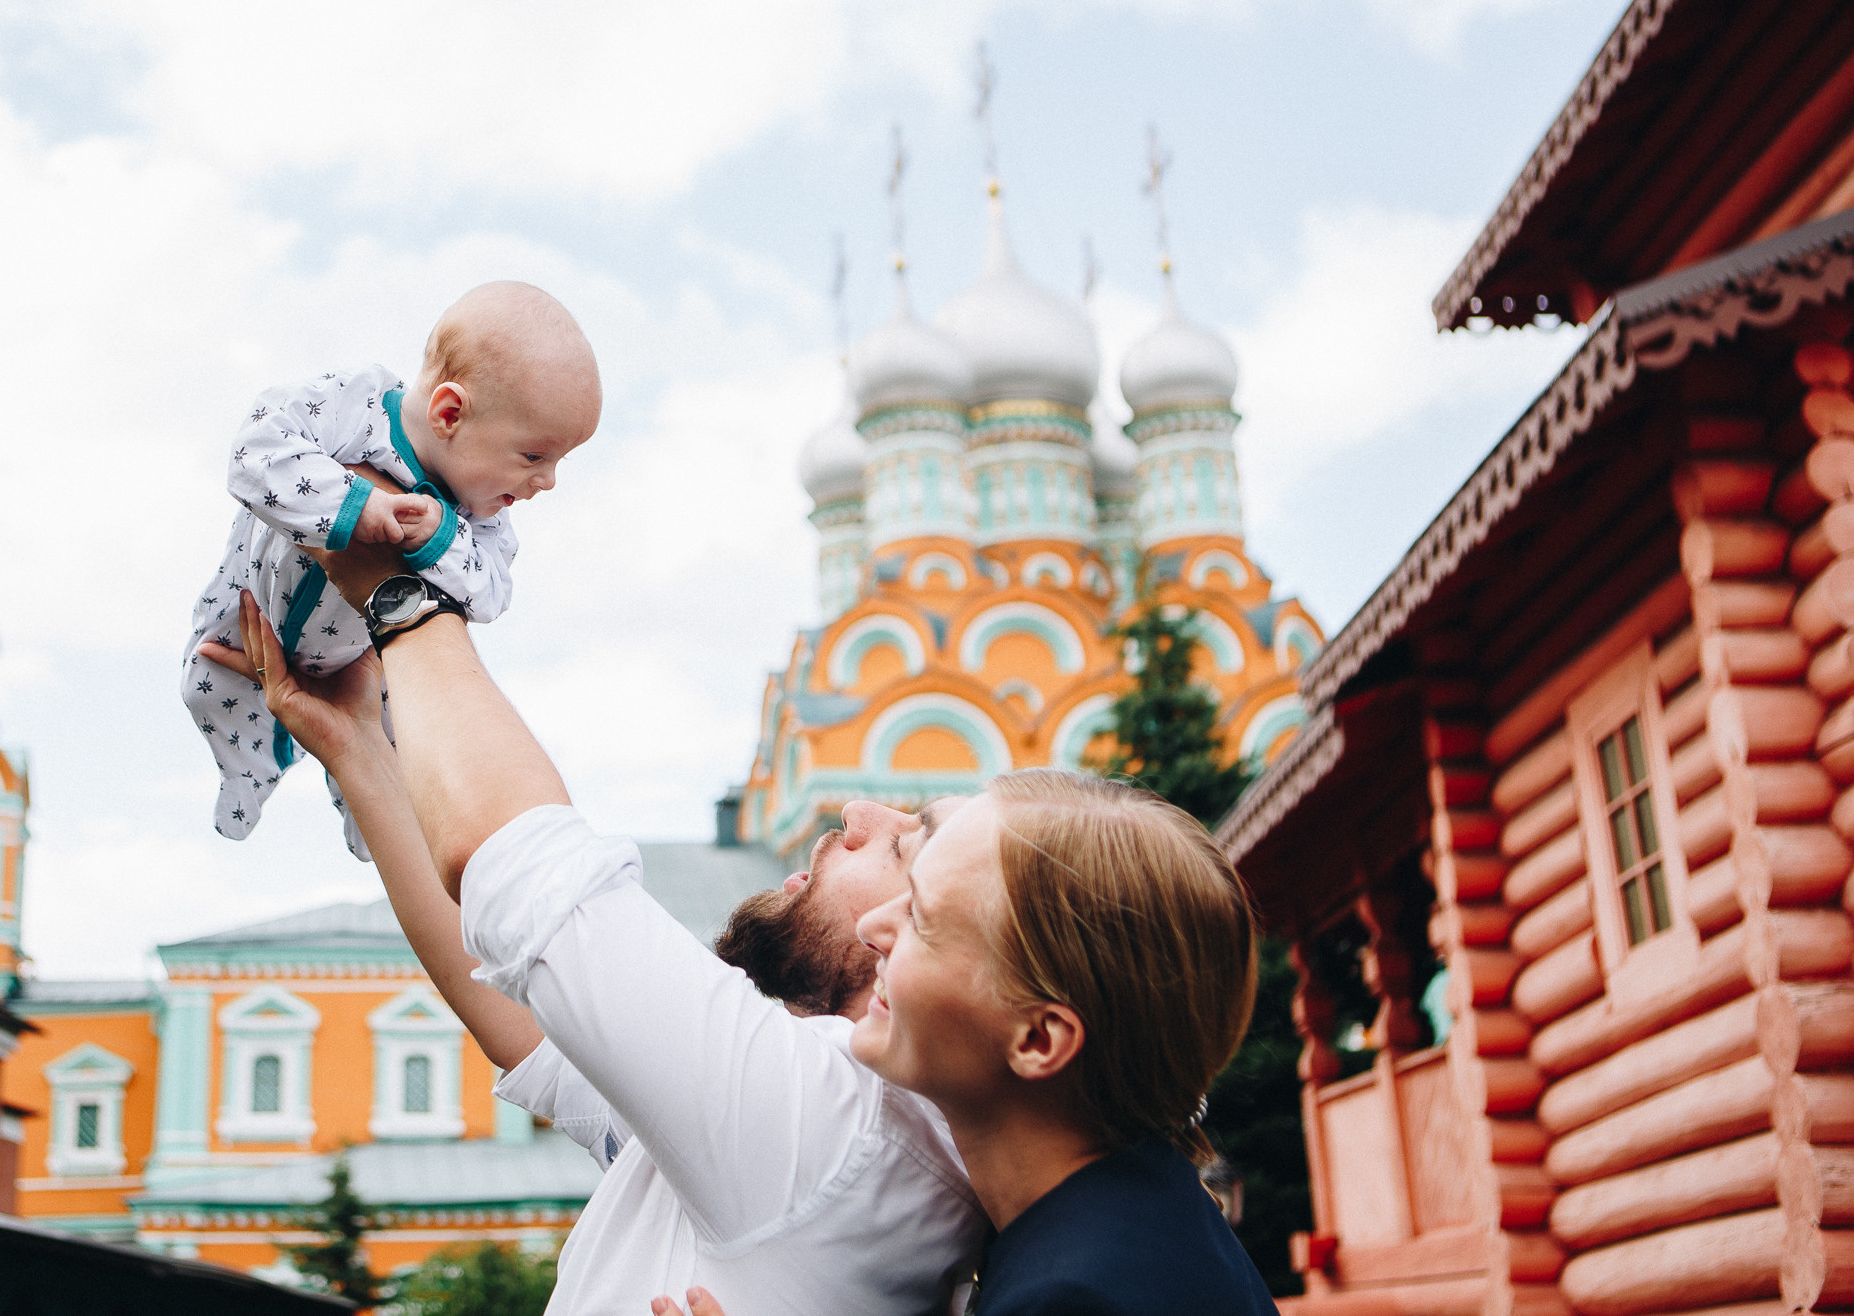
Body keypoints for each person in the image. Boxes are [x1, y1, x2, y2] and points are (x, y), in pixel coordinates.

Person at [200, 587, 987, 1313]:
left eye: (906, 844)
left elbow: (528, 877)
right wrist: (358, 745)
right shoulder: (809, 1113)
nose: (857, 810)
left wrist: (402, 589)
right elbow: (526, 1019)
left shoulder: (836, 1112)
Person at [656, 774, 1279, 1316]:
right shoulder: (1131, 1221)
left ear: (1038, 1039)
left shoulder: (1076, 1295)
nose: (873, 927)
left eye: (922, 918)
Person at [181, 281, 600, 858]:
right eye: (534, 456)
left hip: (363, 656)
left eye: (558, 462)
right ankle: (248, 773)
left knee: (411, 743)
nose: (547, 481)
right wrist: (354, 502)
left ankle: (377, 831)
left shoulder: (479, 516)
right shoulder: (357, 406)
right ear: (450, 412)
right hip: (252, 606)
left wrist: (440, 538)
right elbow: (255, 450)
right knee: (204, 681)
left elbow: (491, 593)